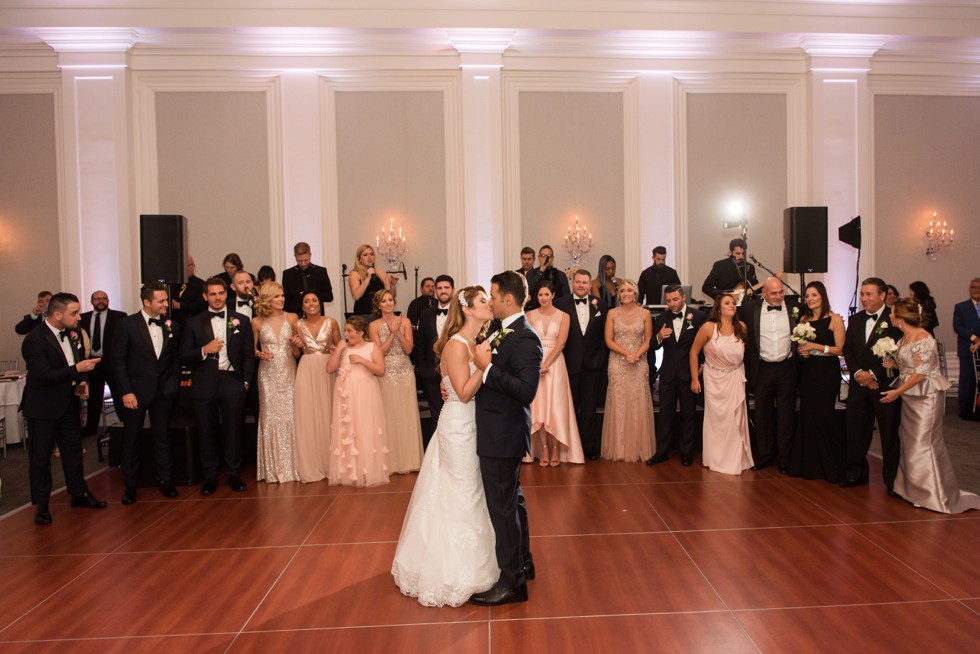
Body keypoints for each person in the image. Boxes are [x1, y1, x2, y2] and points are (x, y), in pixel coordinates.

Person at [391, 285, 500, 607]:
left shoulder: (474, 342)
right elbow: (464, 392)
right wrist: (484, 366)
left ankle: (481, 559)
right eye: (483, 301)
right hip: (457, 426)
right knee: (461, 492)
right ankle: (450, 569)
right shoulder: (456, 345)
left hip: (473, 423)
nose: (489, 304)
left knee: (473, 491)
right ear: (467, 309)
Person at [469, 270, 542, 607]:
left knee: (502, 509)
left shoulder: (525, 337)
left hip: (503, 434)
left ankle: (511, 583)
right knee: (515, 503)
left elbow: (527, 391)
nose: (491, 301)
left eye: (494, 296)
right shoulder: (502, 330)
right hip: (499, 430)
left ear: (508, 299)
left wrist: (486, 370)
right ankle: (523, 563)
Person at [881, 298, 980, 514]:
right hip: (910, 395)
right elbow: (909, 366)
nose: (889, 315)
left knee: (923, 442)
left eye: (892, 313)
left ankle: (933, 494)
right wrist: (893, 363)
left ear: (901, 317)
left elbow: (921, 372)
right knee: (909, 441)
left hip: (926, 396)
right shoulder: (905, 337)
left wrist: (897, 391)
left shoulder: (924, 337)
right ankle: (914, 490)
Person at [21, 292, 107, 525]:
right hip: (43, 407)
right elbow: (43, 376)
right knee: (40, 458)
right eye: (74, 313)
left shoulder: (73, 334)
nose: (79, 318)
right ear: (57, 315)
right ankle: (41, 505)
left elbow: (79, 366)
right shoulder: (34, 340)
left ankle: (79, 493)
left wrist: (82, 380)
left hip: (69, 404)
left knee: (73, 452)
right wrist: (76, 369)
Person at [179, 277, 255, 495]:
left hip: (233, 381)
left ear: (226, 294)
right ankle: (210, 476)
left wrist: (246, 381)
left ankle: (233, 474)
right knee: (206, 430)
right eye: (212, 294)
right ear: (205, 297)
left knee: (233, 430)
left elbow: (248, 354)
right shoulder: (193, 322)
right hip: (204, 382)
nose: (217, 297)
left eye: (220, 293)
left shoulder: (241, 319)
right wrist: (204, 350)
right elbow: (183, 355)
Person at [111, 283, 181, 504]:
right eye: (160, 300)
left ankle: (166, 480)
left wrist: (173, 384)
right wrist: (126, 391)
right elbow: (118, 362)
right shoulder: (127, 325)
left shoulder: (172, 325)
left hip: (163, 391)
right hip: (136, 392)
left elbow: (174, 359)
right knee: (132, 438)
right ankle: (130, 486)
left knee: (162, 436)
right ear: (147, 302)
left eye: (165, 300)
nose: (165, 304)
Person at [841, 277, 903, 493]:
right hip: (859, 386)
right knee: (856, 430)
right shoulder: (855, 319)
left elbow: (898, 352)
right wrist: (859, 373)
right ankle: (855, 473)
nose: (864, 299)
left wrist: (874, 374)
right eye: (862, 294)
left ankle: (892, 480)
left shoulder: (894, 319)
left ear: (882, 295)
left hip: (884, 386)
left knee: (888, 434)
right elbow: (848, 349)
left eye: (869, 294)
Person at [740, 277, 800, 473]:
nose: (778, 296)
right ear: (763, 293)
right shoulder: (749, 309)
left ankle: (785, 457)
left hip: (786, 368)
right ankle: (765, 455)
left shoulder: (794, 308)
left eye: (781, 292)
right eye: (773, 293)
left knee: (786, 414)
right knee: (762, 413)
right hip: (762, 368)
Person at [690, 293, 754, 475]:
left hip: (734, 378)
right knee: (718, 420)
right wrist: (695, 378)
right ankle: (716, 458)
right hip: (713, 379)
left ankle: (735, 459)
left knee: (735, 420)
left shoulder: (742, 327)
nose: (732, 306)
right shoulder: (708, 328)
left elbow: (745, 355)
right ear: (718, 308)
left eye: (733, 303)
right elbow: (694, 352)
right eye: (727, 303)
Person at [791, 281, 846, 482]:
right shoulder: (803, 319)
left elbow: (840, 349)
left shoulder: (834, 319)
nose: (810, 299)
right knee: (808, 415)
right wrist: (804, 350)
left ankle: (829, 466)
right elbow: (801, 345)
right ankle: (808, 464)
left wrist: (817, 346)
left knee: (824, 416)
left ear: (822, 296)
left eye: (814, 295)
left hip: (826, 373)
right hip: (808, 371)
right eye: (807, 296)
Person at [526, 281, 584, 466]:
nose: (543, 298)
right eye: (540, 295)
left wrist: (547, 364)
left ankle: (556, 448)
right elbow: (526, 341)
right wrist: (537, 365)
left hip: (556, 364)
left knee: (556, 407)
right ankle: (543, 448)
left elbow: (561, 343)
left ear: (553, 295)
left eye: (546, 294)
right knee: (539, 407)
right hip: (535, 362)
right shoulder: (529, 315)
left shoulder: (564, 316)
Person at [647, 284, 705, 467]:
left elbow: (705, 345)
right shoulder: (662, 317)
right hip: (668, 373)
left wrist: (701, 366)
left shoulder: (698, 317)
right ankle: (662, 451)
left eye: (675, 299)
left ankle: (686, 453)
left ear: (684, 298)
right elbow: (653, 346)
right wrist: (659, 337)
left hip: (689, 373)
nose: (671, 304)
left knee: (688, 413)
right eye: (669, 300)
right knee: (665, 414)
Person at [326, 315, 388, 487]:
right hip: (345, 393)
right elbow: (330, 368)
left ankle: (366, 469)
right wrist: (339, 350)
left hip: (365, 391)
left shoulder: (372, 347)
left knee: (364, 427)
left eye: (349, 331)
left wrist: (362, 360)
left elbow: (381, 370)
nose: (346, 334)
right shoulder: (343, 348)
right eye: (345, 330)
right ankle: (347, 472)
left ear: (361, 332)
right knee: (348, 429)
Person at [251, 282, 300, 484]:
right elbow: (252, 350)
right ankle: (271, 468)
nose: (281, 299)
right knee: (270, 417)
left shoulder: (292, 318)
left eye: (282, 295)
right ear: (267, 299)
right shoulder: (256, 322)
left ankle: (294, 467)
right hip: (268, 374)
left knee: (291, 415)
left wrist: (297, 345)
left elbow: (297, 352)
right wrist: (258, 353)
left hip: (288, 370)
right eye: (276, 296)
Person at [600, 279, 655, 462]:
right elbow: (609, 340)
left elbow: (648, 340)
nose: (625, 293)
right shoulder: (611, 313)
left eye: (629, 290)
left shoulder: (645, 313)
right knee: (619, 401)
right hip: (617, 362)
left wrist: (637, 354)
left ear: (636, 293)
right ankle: (620, 448)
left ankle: (639, 447)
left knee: (638, 400)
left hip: (639, 363)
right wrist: (627, 354)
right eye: (622, 291)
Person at [555, 269, 607, 460]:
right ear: (572, 283)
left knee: (589, 407)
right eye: (578, 282)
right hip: (569, 364)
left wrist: (600, 358)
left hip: (593, 365)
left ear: (589, 284)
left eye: (585, 283)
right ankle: (569, 447)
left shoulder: (601, 304)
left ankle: (589, 447)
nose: (581, 286)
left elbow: (604, 335)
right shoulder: (560, 304)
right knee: (569, 407)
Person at [370, 289, 423, 474]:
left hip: (405, 371)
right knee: (388, 414)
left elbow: (408, 349)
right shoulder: (374, 326)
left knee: (406, 413)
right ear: (378, 305)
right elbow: (379, 353)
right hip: (385, 373)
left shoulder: (405, 321)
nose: (388, 303)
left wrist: (399, 332)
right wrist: (391, 333)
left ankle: (409, 460)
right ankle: (390, 462)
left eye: (390, 300)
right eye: (383, 301)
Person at [293, 290, 339, 482]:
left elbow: (341, 346)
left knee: (329, 412)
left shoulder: (332, 322)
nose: (311, 303)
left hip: (328, 368)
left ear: (320, 303)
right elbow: (295, 354)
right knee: (309, 414)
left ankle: (333, 463)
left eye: (314, 300)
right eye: (307, 301)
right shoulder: (297, 324)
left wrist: (335, 350)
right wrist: (295, 345)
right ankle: (312, 464)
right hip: (306, 367)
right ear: (302, 307)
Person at [79, 290, 126, 437]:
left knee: (119, 395)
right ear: (92, 301)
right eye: (97, 299)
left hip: (112, 362)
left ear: (108, 301)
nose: (101, 301)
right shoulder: (83, 318)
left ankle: (125, 424)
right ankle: (91, 428)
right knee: (93, 398)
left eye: (104, 299)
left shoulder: (119, 317)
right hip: (92, 363)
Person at [416, 274, 455, 440]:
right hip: (431, 373)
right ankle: (436, 455)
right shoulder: (425, 314)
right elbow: (420, 344)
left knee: (454, 414)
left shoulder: (461, 312)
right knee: (436, 415)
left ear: (452, 289)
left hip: (455, 372)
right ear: (435, 291)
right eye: (439, 288)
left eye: (446, 288)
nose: (443, 291)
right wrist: (424, 369)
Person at [952, 277, 980, 421]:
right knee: (967, 379)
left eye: (979, 287)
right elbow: (957, 326)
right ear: (969, 290)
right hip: (967, 349)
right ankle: (965, 409)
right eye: (973, 287)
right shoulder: (961, 307)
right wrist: (975, 338)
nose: (976, 290)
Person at [282, 241, 334, 315]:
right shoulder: (288, 274)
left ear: (310, 255)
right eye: (299, 261)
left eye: (306, 260)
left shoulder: (320, 271)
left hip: (317, 317)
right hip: (296, 317)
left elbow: (329, 297)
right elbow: (286, 301)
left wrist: (312, 293)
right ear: (295, 256)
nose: (303, 264)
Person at [349, 244, 394, 318]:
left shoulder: (381, 273)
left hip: (380, 312)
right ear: (359, 259)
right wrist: (368, 278)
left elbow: (389, 295)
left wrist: (392, 285)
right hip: (363, 313)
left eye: (371, 254)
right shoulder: (355, 273)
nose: (369, 257)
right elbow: (356, 296)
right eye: (365, 255)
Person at [525, 245, 570, 309]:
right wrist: (540, 271)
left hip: (556, 310)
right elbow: (527, 291)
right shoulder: (531, 273)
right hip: (536, 310)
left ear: (552, 258)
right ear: (539, 257)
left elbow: (566, 297)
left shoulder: (560, 275)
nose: (546, 259)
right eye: (543, 256)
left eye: (549, 256)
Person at [170, 257, 206, 326]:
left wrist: (180, 305)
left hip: (192, 324)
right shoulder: (171, 284)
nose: (185, 268)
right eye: (183, 266)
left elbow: (201, 306)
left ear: (193, 266)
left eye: (188, 265)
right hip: (173, 324)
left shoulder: (201, 284)